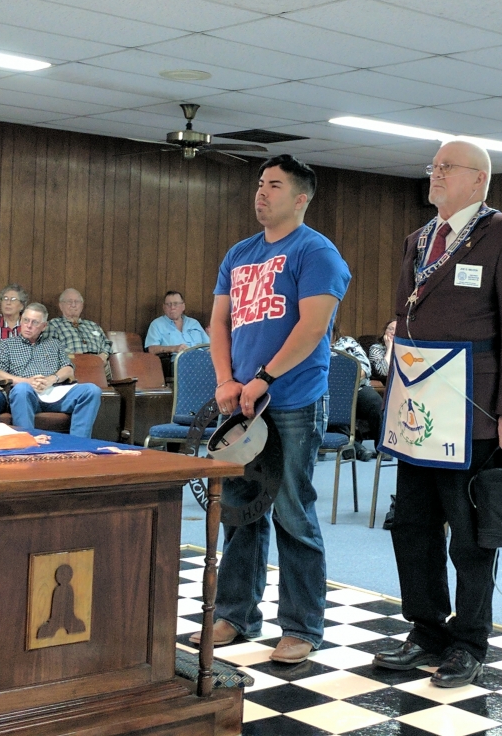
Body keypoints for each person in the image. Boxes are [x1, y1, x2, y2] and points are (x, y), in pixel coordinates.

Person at [373, 139, 502, 688]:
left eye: (448, 167)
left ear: (479, 179)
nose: (436, 173)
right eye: (434, 166)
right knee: (412, 526)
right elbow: (407, 314)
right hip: (417, 407)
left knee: (469, 535)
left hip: (474, 411)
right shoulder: (420, 238)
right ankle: (426, 630)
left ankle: (469, 640)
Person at [195, 155, 351, 664]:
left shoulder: (316, 252)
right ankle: (236, 613)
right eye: (260, 184)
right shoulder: (239, 253)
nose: (261, 193)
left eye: (275, 186)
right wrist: (226, 379)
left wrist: (265, 377)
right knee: (240, 509)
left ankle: (302, 625)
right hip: (239, 403)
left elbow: (312, 328)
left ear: (301, 198)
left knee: (290, 510)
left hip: (292, 400)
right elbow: (219, 323)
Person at [0, 303, 102, 437]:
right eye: (26, 320)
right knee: (22, 389)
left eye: (35, 322)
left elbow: (68, 369)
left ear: (44, 326)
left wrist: (51, 379)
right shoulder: (5, 345)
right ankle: (28, 441)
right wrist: (26, 381)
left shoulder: (54, 344)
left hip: (55, 392)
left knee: (92, 390)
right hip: (27, 395)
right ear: (21, 321)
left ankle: (78, 443)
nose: (29, 325)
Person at [330, 327, 379, 461]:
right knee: (334, 406)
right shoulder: (313, 345)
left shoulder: (348, 343)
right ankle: (356, 448)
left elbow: (365, 367)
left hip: (356, 387)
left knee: (375, 401)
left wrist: (345, 383)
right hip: (329, 393)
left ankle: (382, 448)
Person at [44, 289, 112, 361]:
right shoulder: (53, 325)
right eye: (69, 301)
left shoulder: (93, 326)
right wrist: (72, 354)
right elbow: (48, 346)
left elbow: (107, 343)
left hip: (97, 363)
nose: (73, 305)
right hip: (70, 363)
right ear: (61, 306)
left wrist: (104, 354)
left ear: (82, 306)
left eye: (77, 302)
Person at [145, 291, 209, 354]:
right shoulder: (156, 324)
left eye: (176, 304)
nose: (172, 307)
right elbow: (151, 349)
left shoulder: (194, 323)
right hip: (177, 358)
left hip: (201, 357)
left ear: (183, 306)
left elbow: (209, 346)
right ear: (164, 307)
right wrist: (173, 348)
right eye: (168, 304)